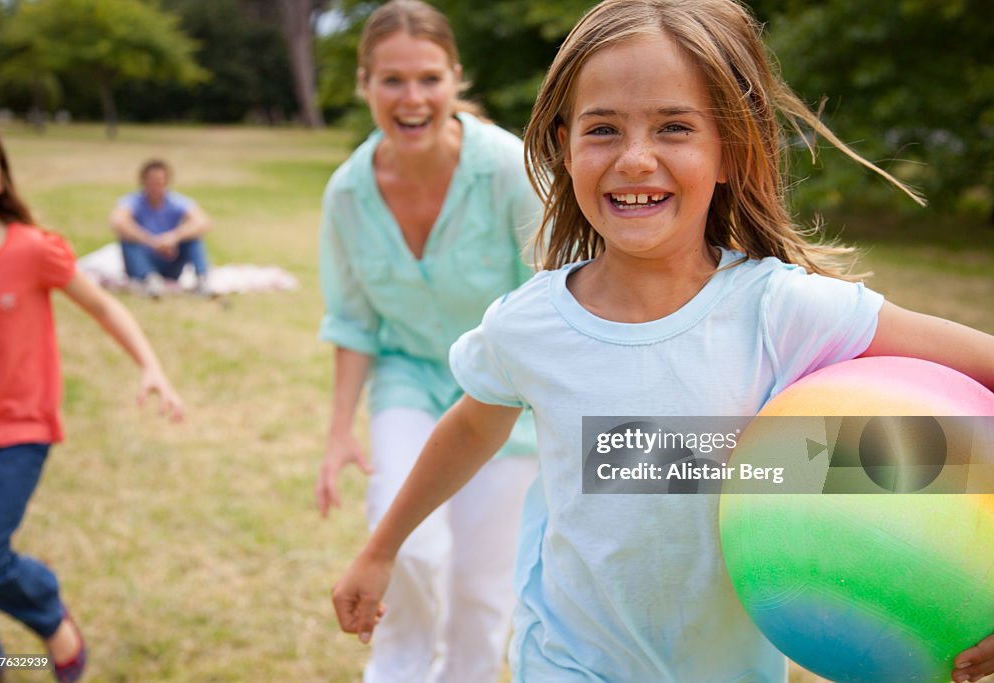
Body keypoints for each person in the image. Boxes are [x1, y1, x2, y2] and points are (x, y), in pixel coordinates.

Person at [330, 1, 994, 682]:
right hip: (567, 661)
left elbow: (961, 421)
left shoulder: (781, 311)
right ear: (564, 146)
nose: (636, 158)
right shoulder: (529, 325)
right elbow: (471, 427)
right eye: (603, 128)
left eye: (674, 126)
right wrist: (381, 550)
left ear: (731, 150)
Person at [314, 1, 542, 681]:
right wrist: (336, 432)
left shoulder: (508, 168)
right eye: (392, 80)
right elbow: (354, 323)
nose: (411, 99)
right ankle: (397, 670)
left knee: (480, 586)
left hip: (506, 397)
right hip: (410, 380)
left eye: (428, 79)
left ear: (454, 78)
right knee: (405, 545)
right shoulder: (348, 195)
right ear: (365, 84)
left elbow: (557, 292)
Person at [0, 105, 185, 683]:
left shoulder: (32, 249)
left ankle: (52, 620)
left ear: (1, 171)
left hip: (16, 434)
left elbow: (103, 304)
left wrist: (150, 366)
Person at [109, 159, 212, 298]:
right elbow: (117, 221)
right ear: (143, 181)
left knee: (193, 239)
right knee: (128, 240)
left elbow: (203, 222)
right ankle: (149, 281)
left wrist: (173, 237)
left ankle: (202, 280)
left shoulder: (176, 201)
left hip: (171, 259)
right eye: (151, 181)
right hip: (143, 259)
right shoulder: (133, 201)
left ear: (166, 182)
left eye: (159, 181)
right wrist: (151, 241)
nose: (155, 186)